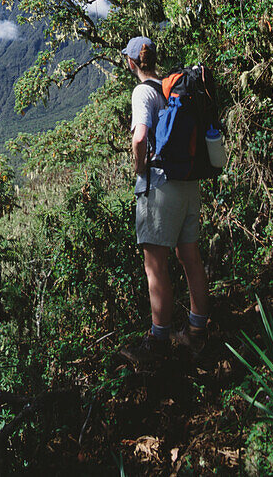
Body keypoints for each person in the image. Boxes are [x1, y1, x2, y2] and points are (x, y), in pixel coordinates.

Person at [119, 35, 209, 367]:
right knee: (190, 257)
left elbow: (141, 136)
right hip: (189, 182)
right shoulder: (173, 88)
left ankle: (158, 340)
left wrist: (139, 167)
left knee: (155, 265)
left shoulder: (143, 92)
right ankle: (198, 330)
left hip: (160, 186)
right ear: (154, 59)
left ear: (131, 62)